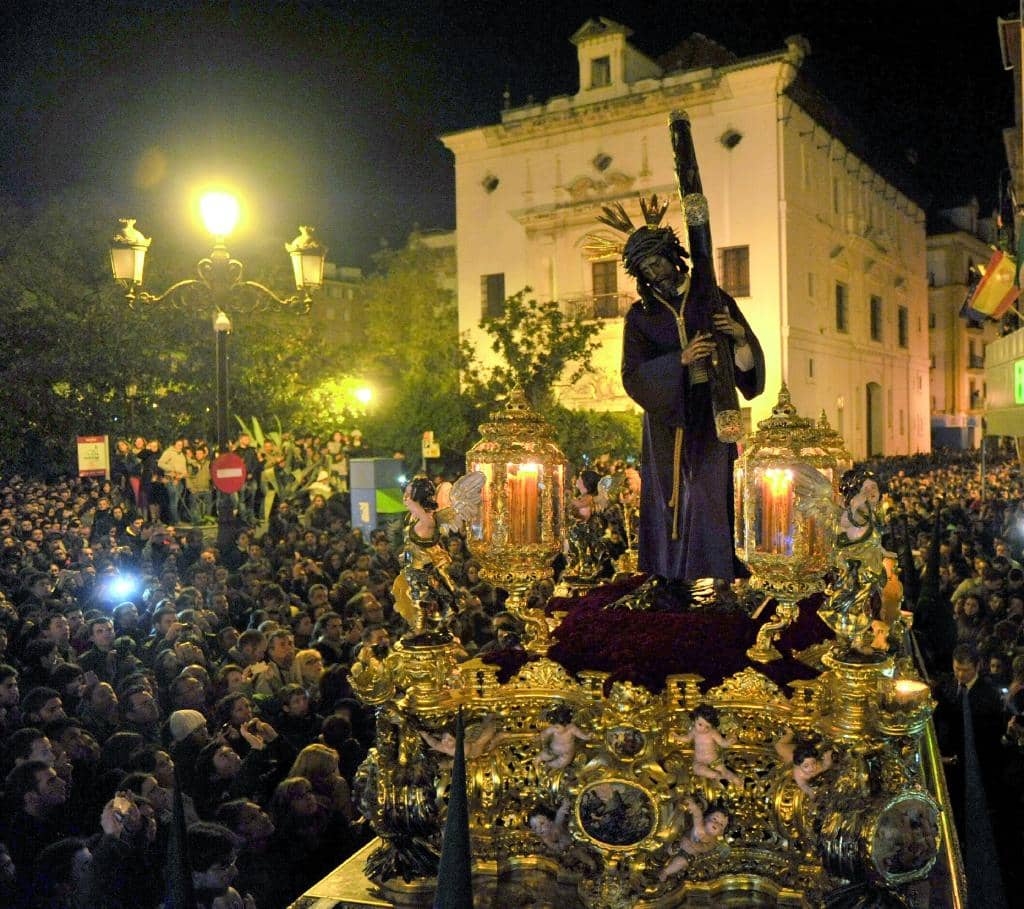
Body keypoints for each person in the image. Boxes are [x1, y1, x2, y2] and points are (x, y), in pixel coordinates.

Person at [605, 198, 764, 596]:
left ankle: (722, 575)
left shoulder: (711, 297)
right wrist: (680, 359)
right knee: (668, 495)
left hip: (711, 410)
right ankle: (669, 571)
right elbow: (632, 374)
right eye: (646, 269)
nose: (655, 272)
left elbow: (746, 362)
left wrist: (740, 338)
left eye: (658, 261)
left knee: (712, 491)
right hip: (667, 415)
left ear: (671, 256)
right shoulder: (640, 317)